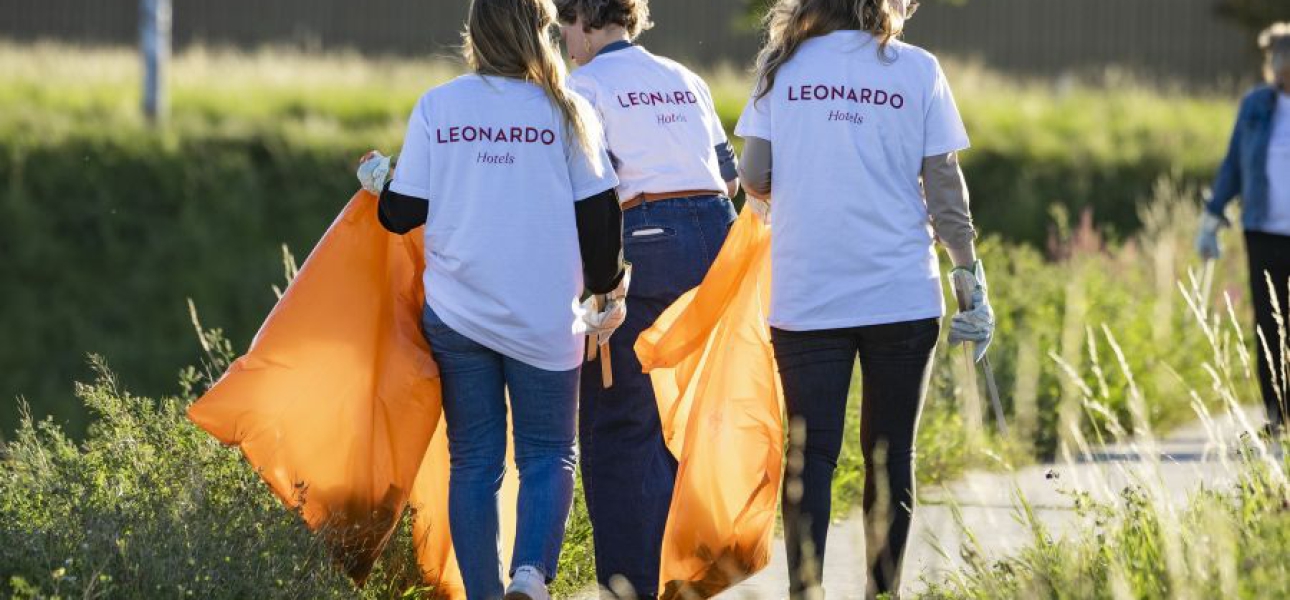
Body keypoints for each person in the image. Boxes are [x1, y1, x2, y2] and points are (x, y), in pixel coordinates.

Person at [355, 0, 628, 598]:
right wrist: (607, 288)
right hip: (544, 316)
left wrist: (378, 179)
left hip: (458, 315)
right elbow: (600, 216)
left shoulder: (439, 107)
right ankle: (529, 576)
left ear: (475, 35)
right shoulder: (567, 109)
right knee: (548, 452)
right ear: (540, 31)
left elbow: (402, 213)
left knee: (474, 460)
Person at [734, 0, 993, 598]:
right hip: (901, 293)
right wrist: (969, 279)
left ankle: (806, 591)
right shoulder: (918, 69)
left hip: (808, 291)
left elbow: (753, 173)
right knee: (890, 454)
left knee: (810, 455)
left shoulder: (783, 64)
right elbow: (945, 189)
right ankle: (883, 592)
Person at [552, 1, 740, 596]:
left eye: (564, 27)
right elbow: (731, 178)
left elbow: (589, 190)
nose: (564, 43)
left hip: (643, 235)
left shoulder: (582, 88)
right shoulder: (686, 77)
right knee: (685, 416)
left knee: (620, 421)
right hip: (717, 239)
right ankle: (689, 571)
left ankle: (632, 583)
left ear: (585, 18)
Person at [1197, 22, 1290, 439]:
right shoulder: (1256, 105)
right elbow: (1234, 164)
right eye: (1279, 66)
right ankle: (1277, 413)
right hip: (1263, 231)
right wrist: (1212, 215)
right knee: (1270, 322)